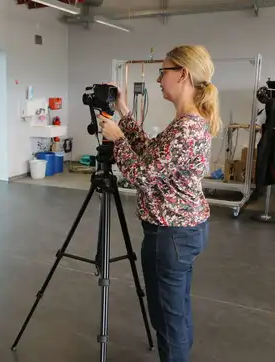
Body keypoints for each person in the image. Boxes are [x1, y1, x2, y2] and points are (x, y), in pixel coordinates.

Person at [99, 45, 220, 362]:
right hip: (178, 230)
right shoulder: (186, 124)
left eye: (163, 72)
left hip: (171, 234)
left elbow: (141, 175)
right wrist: (124, 112)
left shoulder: (187, 128)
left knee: (168, 317)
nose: (158, 79)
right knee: (175, 307)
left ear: (182, 74)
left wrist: (117, 140)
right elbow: (152, 153)